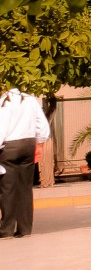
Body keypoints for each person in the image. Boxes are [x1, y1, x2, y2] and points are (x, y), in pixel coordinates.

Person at [0, 87, 51, 238]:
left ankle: (6, 229)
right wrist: (40, 143)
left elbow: (1, 128)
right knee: (25, 187)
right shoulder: (29, 99)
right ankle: (25, 228)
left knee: (7, 189)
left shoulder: (4, 101)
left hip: (9, 146)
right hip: (28, 144)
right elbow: (42, 124)